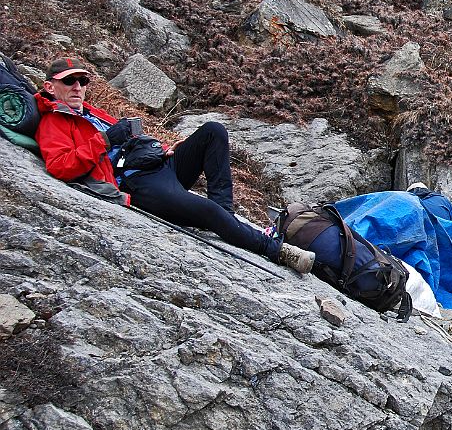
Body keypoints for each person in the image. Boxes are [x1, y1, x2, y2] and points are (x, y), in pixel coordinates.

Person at [35, 57, 314, 274]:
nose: (78, 88)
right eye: (69, 81)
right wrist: (105, 141)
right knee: (205, 209)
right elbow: (61, 167)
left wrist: (162, 151)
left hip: (158, 165)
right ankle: (275, 250)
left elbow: (130, 144)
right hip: (138, 181)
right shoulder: (53, 123)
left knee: (213, 131)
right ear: (50, 87)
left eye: (82, 81)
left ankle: (225, 218)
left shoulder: (91, 112)